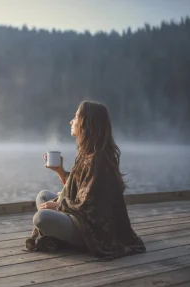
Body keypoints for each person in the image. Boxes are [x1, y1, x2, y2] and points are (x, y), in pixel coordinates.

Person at [26, 101, 146, 261]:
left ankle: (61, 238)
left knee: (41, 218)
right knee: (43, 196)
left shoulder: (99, 159)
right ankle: (57, 235)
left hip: (94, 230)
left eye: (75, 117)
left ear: (86, 123)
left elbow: (90, 205)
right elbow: (81, 189)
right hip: (80, 215)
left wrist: (58, 206)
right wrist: (60, 171)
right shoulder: (87, 153)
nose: (71, 121)